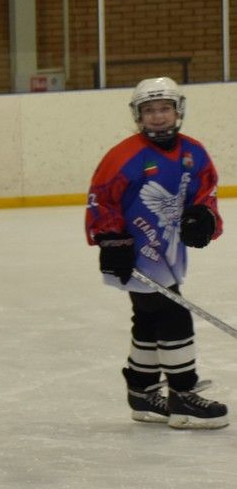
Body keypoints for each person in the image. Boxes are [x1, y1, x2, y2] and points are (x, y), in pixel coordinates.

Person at [86, 76, 226, 429]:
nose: (159, 117)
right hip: (135, 252)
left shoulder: (193, 152)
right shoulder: (124, 156)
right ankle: (183, 396)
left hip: (170, 249)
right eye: (150, 110)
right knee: (173, 316)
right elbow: (102, 199)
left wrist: (203, 218)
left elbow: (206, 192)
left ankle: (142, 391)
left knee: (148, 318)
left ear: (178, 111)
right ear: (138, 115)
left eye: (165, 108)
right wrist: (112, 241)